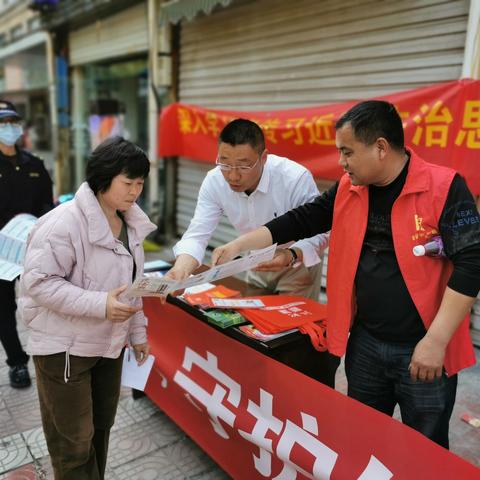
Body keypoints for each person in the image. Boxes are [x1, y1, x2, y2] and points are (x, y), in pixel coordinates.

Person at [211, 101, 480, 449]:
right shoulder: (349, 189)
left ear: (380, 148)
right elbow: (302, 219)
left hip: (423, 348)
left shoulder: (444, 188)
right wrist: (239, 244)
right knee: (363, 439)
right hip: (365, 344)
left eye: (347, 152)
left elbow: (472, 262)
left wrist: (436, 341)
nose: (341, 162)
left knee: (425, 448)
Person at [19, 136, 156, 479]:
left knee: (101, 427)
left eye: (140, 183)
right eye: (128, 183)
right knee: (74, 441)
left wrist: (138, 333)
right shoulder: (63, 223)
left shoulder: (130, 223)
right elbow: (38, 282)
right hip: (63, 348)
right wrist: (101, 304)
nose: (135, 191)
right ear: (103, 177)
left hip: (107, 344)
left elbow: (132, 286)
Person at [166, 118, 338, 386]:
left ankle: (290, 391)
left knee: (290, 335)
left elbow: (322, 231)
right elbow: (198, 232)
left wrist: (293, 254)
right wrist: (181, 269)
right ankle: (258, 390)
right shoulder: (214, 181)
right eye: (225, 163)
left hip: (297, 261)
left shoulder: (294, 178)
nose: (233, 175)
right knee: (252, 328)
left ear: (264, 157)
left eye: (244, 165)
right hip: (254, 261)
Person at [0, 99, 53, 389]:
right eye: (3, 124)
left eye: (12, 123)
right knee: (4, 308)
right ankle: (17, 363)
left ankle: (48, 352)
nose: (9, 129)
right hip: (1, 253)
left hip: (33, 247)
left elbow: (48, 202)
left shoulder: (34, 164)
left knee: (42, 300)